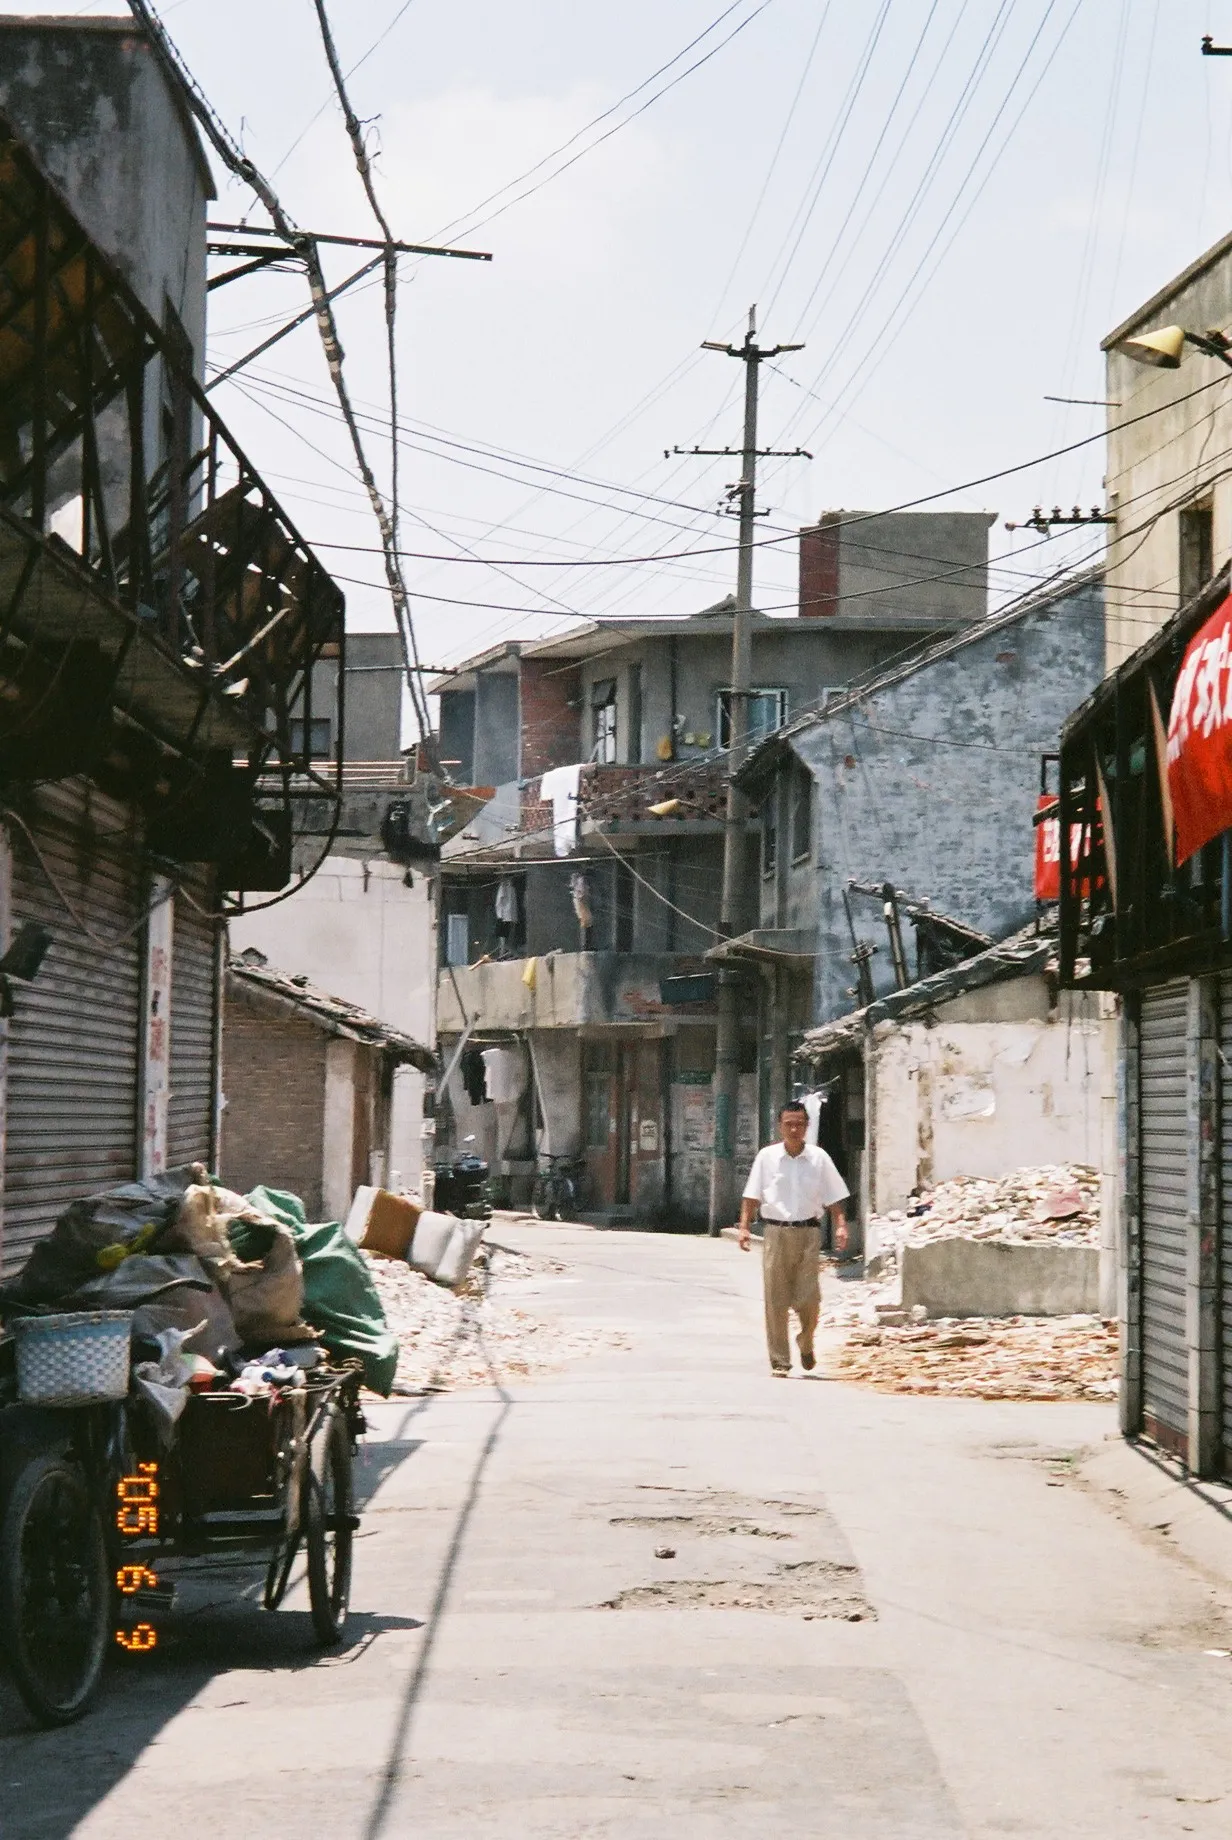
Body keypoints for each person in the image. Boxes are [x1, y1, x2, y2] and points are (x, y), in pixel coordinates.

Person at [738, 1099, 850, 1376]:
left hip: (809, 1233)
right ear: (780, 1126)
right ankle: (780, 1360)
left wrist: (841, 1224)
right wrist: (743, 1227)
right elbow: (751, 1194)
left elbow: (834, 1196)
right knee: (775, 1299)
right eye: (789, 1124)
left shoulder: (818, 1158)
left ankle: (806, 1339)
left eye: (799, 1124)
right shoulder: (767, 1157)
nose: (794, 1129)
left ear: (807, 1126)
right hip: (775, 1233)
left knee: (809, 1298)